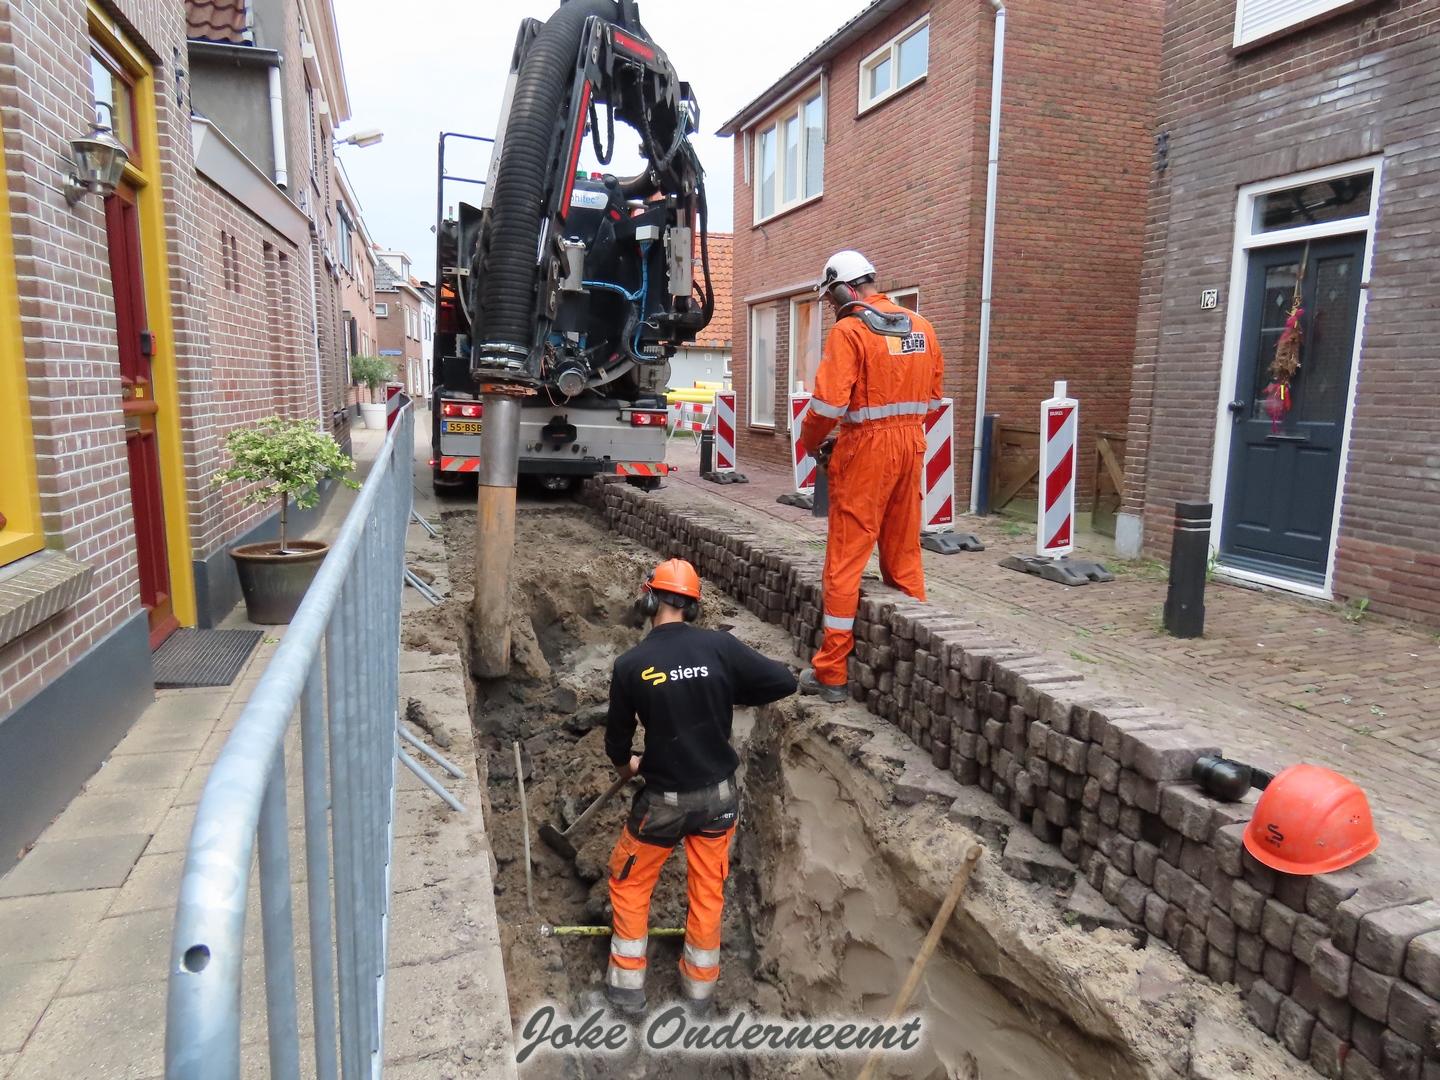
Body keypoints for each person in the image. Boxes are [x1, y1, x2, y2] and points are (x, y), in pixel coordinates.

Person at [603, 558, 797, 1012]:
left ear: (649, 598)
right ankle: (699, 992)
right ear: (692, 606)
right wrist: (723, 688)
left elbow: (616, 741)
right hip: (719, 800)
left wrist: (625, 764)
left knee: (629, 882)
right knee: (708, 890)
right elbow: (783, 681)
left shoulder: (631, 664)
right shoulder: (719, 648)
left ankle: (627, 989)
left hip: (665, 803)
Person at [797, 250, 945, 704]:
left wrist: (810, 442)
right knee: (903, 552)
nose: (830, 309)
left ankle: (832, 672)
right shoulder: (921, 326)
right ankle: (915, 665)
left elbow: (827, 406)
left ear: (841, 289)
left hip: (866, 451)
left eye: (828, 300)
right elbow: (935, 397)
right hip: (912, 446)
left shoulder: (849, 330)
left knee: (845, 558)